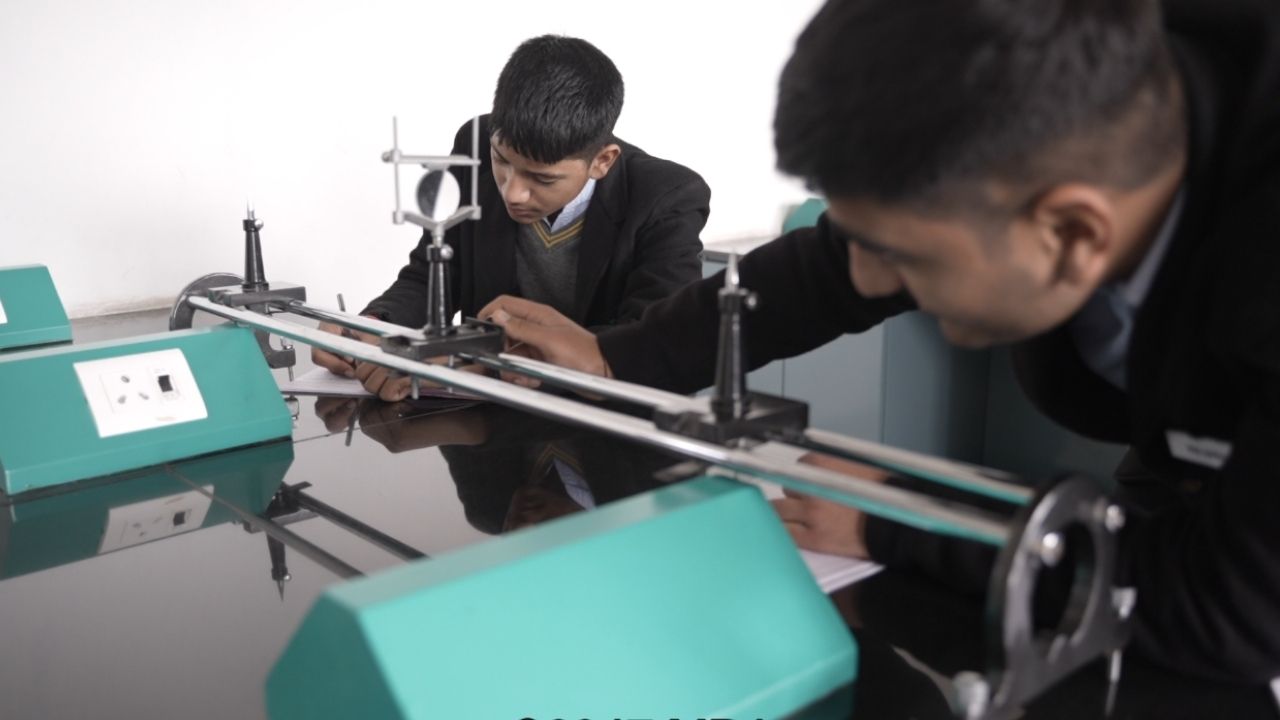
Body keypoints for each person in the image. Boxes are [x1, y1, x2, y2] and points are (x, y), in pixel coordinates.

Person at [479, 0, 1280, 682]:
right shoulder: (1062, 112)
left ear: (1072, 233)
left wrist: (897, 521)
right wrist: (619, 355)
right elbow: (828, 270)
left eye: (901, 255)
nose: (867, 278)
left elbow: (1237, 610)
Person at [312, 35, 710, 401]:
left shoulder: (667, 198)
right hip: (480, 428)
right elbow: (434, 275)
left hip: (601, 427)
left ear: (602, 161)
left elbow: (650, 345)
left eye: (542, 178)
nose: (512, 192)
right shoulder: (474, 142)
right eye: (501, 160)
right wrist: (375, 326)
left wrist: (478, 362)